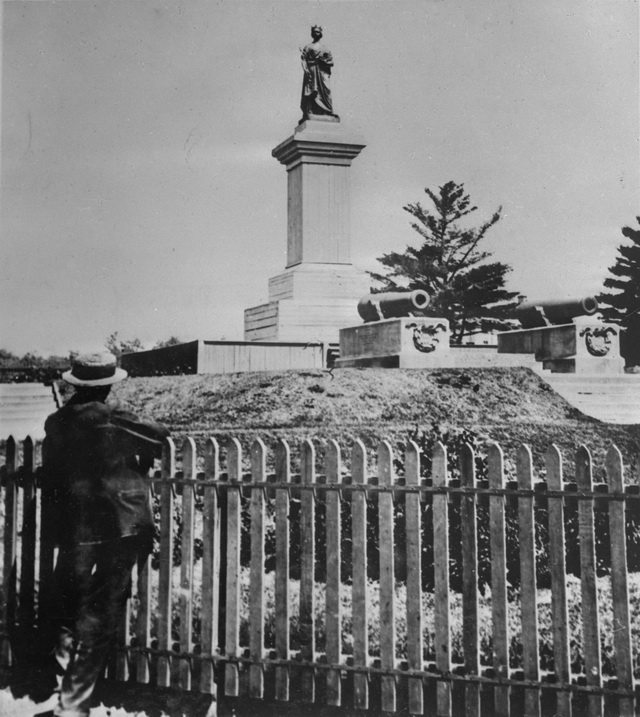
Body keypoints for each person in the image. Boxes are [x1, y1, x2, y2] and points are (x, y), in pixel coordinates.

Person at [38, 351, 169, 717]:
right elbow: (160, 435)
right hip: (119, 526)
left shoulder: (57, 422)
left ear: (74, 383)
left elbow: (51, 475)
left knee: (68, 607)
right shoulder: (117, 418)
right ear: (110, 384)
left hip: (76, 527)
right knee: (101, 613)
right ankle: (73, 704)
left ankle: (62, 688)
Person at [300, 25, 338, 121]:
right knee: (312, 91)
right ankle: (311, 111)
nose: (316, 33)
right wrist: (306, 69)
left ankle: (327, 111)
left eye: (317, 32)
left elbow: (331, 62)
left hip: (322, 72)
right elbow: (303, 60)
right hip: (312, 71)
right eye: (314, 31)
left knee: (326, 91)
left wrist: (323, 61)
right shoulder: (308, 47)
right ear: (312, 33)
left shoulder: (325, 48)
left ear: (321, 34)